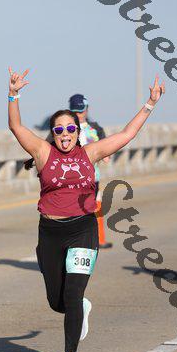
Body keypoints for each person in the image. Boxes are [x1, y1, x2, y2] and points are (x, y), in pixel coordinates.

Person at [8, 67, 165, 352]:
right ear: (53, 133)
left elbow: (126, 135)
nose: (65, 134)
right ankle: (80, 308)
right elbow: (16, 126)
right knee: (57, 301)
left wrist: (150, 103)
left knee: (72, 295)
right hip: (50, 232)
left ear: (78, 131)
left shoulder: (90, 153)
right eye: (59, 130)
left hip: (82, 229)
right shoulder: (42, 152)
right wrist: (13, 94)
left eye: (70, 129)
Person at [68, 93, 112, 250]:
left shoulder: (96, 129)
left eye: (80, 111)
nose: (78, 115)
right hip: (70, 178)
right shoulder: (64, 129)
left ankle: (98, 239)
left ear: (86, 109)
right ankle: (78, 241)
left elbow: (107, 155)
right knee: (75, 210)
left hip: (92, 178)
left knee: (93, 207)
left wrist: (103, 154)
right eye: (75, 112)